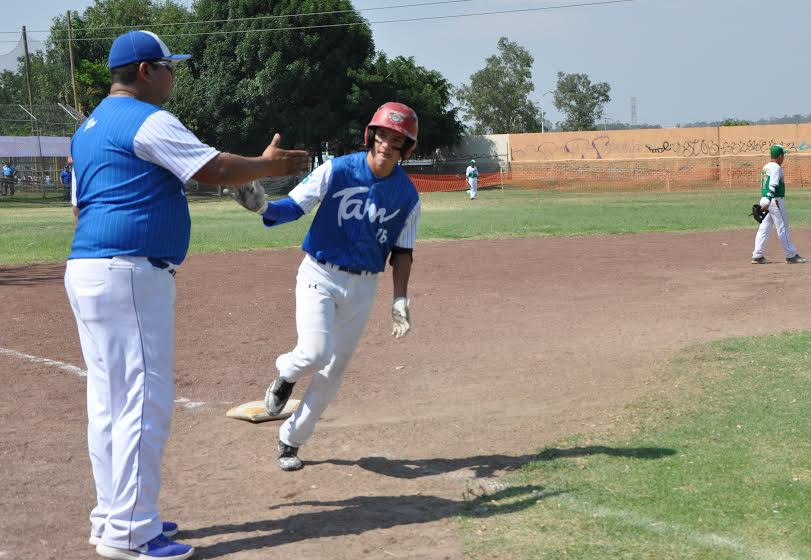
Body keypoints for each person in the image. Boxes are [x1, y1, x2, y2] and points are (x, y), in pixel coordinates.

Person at [65, 30, 309, 560]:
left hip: (91, 268)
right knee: (142, 403)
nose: (175, 75)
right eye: (170, 66)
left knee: (108, 403)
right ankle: (130, 532)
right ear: (147, 70)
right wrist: (274, 167)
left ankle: (113, 516)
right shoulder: (146, 119)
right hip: (129, 272)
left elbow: (81, 209)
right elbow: (214, 169)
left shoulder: (88, 128)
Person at [233, 101, 420, 472]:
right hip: (320, 274)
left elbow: (402, 251)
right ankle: (285, 373)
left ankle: (291, 439)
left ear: (405, 147)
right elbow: (293, 207)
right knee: (315, 352)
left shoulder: (408, 196)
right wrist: (262, 208)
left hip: (364, 286)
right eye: (382, 135)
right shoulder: (337, 170)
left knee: (333, 374)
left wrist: (400, 298)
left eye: (396, 139)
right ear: (371, 135)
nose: (386, 144)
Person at [751, 144, 806, 264]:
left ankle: (757, 255)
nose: (784, 157)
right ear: (780, 156)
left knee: (764, 228)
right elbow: (773, 184)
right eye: (783, 155)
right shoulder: (776, 167)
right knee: (783, 228)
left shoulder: (766, 166)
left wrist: (765, 201)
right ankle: (791, 255)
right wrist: (769, 200)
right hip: (774, 200)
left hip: (765, 199)